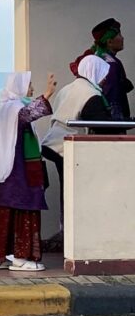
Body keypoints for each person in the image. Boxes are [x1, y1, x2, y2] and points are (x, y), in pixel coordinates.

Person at [0, 73, 57, 271]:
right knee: (23, 208)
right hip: (17, 171)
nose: (31, 89)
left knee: (4, 212)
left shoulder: (7, 107)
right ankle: (21, 258)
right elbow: (28, 115)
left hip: (5, 171)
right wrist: (46, 95)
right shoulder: (14, 108)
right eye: (29, 85)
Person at [41, 55, 124, 237]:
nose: (104, 80)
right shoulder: (90, 94)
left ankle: (66, 230)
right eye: (103, 75)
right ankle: (74, 234)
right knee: (75, 192)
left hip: (53, 144)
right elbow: (101, 124)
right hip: (67, 149)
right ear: (94, 72)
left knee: (67, 189)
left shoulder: (68, 88)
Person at [69, 18, 132, 120]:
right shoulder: (111, 65)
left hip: (98, 119)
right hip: (108, 124)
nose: (123, 38)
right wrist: (117, 123)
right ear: (110, 42)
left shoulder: (97, 59)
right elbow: (112, 98)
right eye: (119, 35)